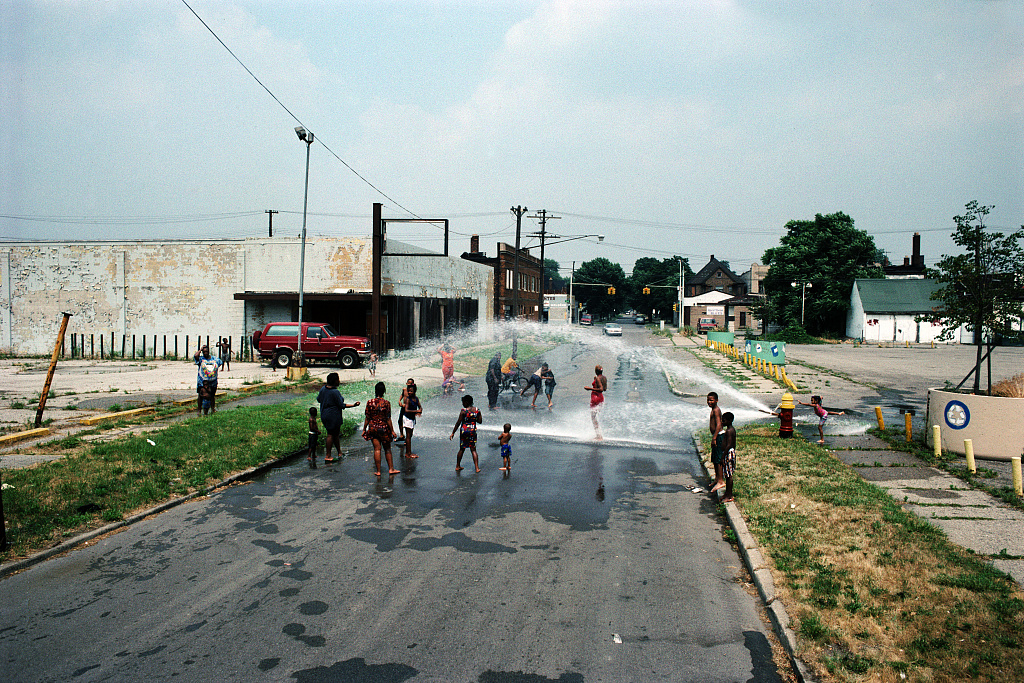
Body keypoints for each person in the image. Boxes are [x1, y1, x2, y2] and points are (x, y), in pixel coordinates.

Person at [317, 372, 359, 464]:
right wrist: (354, 405)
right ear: (334, 381)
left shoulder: (323, 389)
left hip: (324, 414)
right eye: (338, 379)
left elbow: (319, 399)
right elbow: (341, 405)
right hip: (333, 416)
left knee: (335, 434)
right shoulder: (335, 392)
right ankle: (328, 456)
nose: (339, 381)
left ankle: (339, 452)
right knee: (331, 435)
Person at [363, 381, 399, 476]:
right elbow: (388, 419)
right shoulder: (386, 403)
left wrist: (364, 429)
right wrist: (392, 431)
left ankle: (378, 471)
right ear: (384, 391)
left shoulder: (369, 403)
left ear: (375, 391)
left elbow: (367, 417)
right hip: (384, 428)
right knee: (387, 449)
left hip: (373, 428)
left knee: (377, 449)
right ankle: (391, 469)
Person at [450, 394, 482, 473]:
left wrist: (453, 433)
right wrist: (474, 417)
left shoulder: (463, 411)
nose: (462, 404)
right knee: (473, 449)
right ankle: (477, 468)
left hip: (464, 431)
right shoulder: (477, 410)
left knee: (462, 449)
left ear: (467, 402)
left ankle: (458, 466)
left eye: (463, 402)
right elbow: (480, 421)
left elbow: (458, 423)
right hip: (472, 431)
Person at [194, 345, 222, 414]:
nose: (205, 353)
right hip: (202, 381)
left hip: (213, 381)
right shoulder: (201, 359)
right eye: (204, 352)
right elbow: (195, 356)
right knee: (201, 395)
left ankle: (213, 408)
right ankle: (199, 410)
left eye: (206, 351)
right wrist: (200, 349)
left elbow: (220, 363)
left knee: (212, 395)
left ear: (209, 351)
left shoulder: (214, 359)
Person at [708, 392, 725, 492]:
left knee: (718, 459)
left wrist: (714, 438)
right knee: (714, 458)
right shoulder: (713, 410)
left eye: (711, 400)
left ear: (716, 400)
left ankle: (721, 481)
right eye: (708, 400)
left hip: (718, 436)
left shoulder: (716, 410)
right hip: (716, 436)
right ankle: (717, 479)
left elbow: (719, 425)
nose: (709, 402)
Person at [585, 365, 608, 439]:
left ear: (595, 371)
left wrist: (590, 388)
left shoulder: (598, 378)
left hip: (595, 397)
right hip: (601, 397)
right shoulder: (604, 378)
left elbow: (601, 389)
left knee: (593, 417)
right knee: (595, 416)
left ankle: (599, 436)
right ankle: (598, 435)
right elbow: (604, 389)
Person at [400, 383, 422, 459]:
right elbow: (406, 410)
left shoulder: (416, 399)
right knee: (408, 436)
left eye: (411, 391)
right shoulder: (408, 399)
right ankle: (408, 453)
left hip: (412, 419)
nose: (409, 392)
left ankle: (408, 452)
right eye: (408, 391)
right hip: (407, 418)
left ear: (415, 391)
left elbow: (420, 407)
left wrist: (420, 411)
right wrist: (416, 411)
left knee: (410, 435)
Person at [719, 412, 737, 502]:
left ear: (729, 421)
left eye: (724, 420)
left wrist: (723, 456)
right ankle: (727, 493)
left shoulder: (730, 431)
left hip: (728, 454)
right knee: (727, 474)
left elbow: (729, 444)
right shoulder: (729, 430)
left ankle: (729, 496)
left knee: (729, 475)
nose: (722, 422)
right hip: (728, 453)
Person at [396, 378, 415, 443]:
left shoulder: (412, 391)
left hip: (409, 408)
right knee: (400, 421)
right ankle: (401, 435)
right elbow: (402, 395)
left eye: (411, 384)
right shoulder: (404, 389)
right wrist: (399, 401)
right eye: (408, 384)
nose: (409, 386)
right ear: (406, 384)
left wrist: (406, 404)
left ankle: (408, 438)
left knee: (408, 423)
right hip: (403, 407)